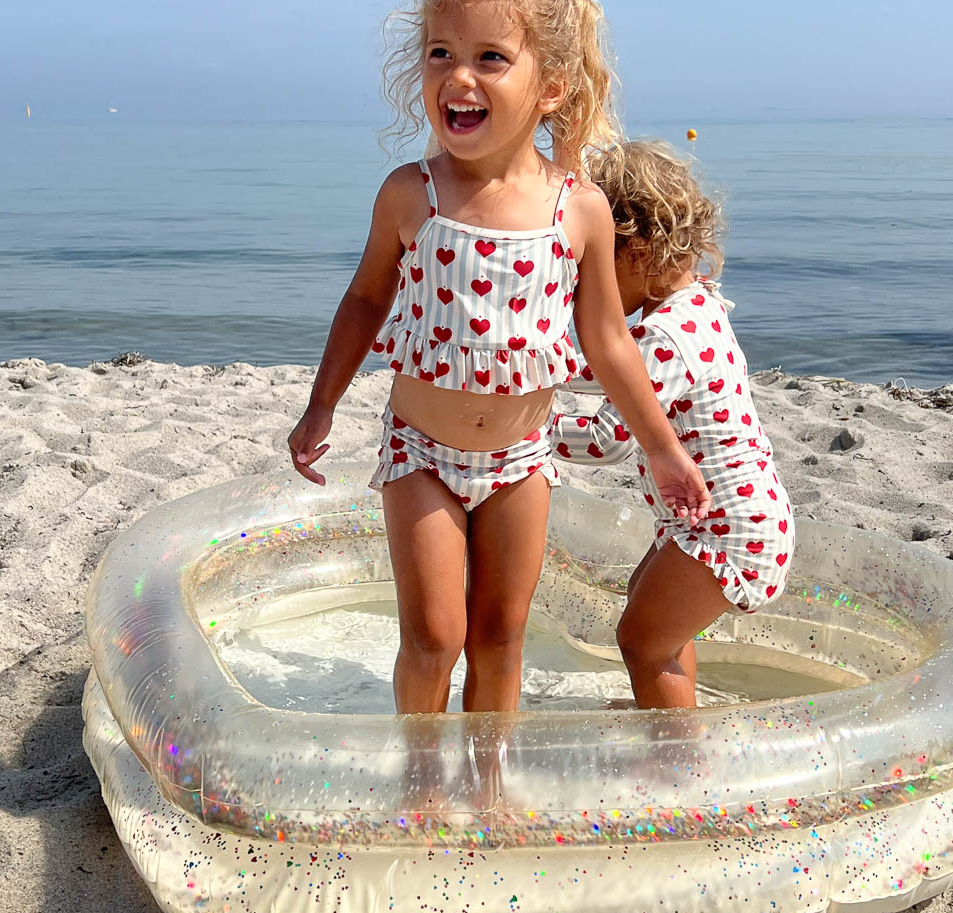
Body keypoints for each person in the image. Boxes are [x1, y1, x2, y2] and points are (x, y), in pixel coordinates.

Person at [288, 1, 709, 715]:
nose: (459, 75)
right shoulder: (408, 195)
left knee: (500, 637)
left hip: (521, 463)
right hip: (421, 455)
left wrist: (663, 448)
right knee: (433, 637)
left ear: (550, 88)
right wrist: (321, 403)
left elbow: (608, 341)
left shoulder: (578, 210)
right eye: (440, 54)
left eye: (490, 58)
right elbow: (365, 300)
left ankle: (488, 788)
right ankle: (420, 780)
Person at [553, 139, 796, 709]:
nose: (586, 282)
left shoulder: (666, 336)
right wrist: (540, 369)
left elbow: (607, 439)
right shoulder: (696, 305)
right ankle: (669, 718)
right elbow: (614, 372)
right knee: (653, 616)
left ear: (636, 251)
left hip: (728, 525)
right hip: (724, 515)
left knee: (641, 639)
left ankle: (674, 757)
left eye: (595, 263)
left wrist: (527, 428)